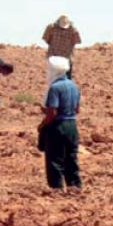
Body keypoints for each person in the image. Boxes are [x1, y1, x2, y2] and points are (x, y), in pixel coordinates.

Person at [38, 56, 82, 189]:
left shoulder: (55, 88)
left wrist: (42, 125)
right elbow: (77, 109)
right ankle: (75, 187)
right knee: (71, 158)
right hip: (72, 126)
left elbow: (52, 113)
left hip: (58, 126)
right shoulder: (74, 86)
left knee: (55, 160)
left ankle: (56, 189)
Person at [42, 15, 82, 79]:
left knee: (65, 77)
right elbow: (47, 39)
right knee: (54, 78)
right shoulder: (51, 28)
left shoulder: (73, 30)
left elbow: (77, 41)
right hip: (54, 58)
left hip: (65, 58)